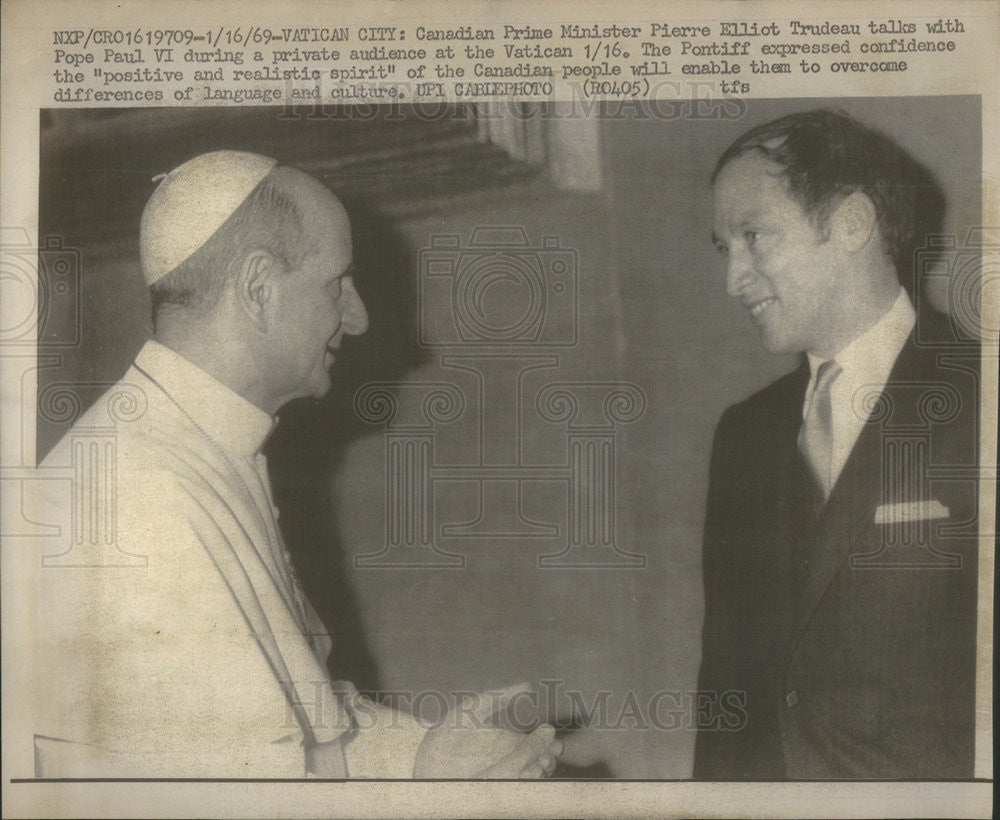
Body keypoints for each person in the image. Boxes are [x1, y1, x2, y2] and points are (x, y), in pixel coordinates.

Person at [30, 151, 561, 779]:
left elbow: (310, 731)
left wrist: (435, 751)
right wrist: (434, 792)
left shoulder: (201, 449)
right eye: (337, 283)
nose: (358, 318)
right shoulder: (133, 494)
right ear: (258, 290)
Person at [694, 110, 979, 779]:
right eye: (724, 249)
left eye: (755, 238)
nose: (734, 280)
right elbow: (725, 697)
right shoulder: (743, 437)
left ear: (852, 223)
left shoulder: (983, 396)